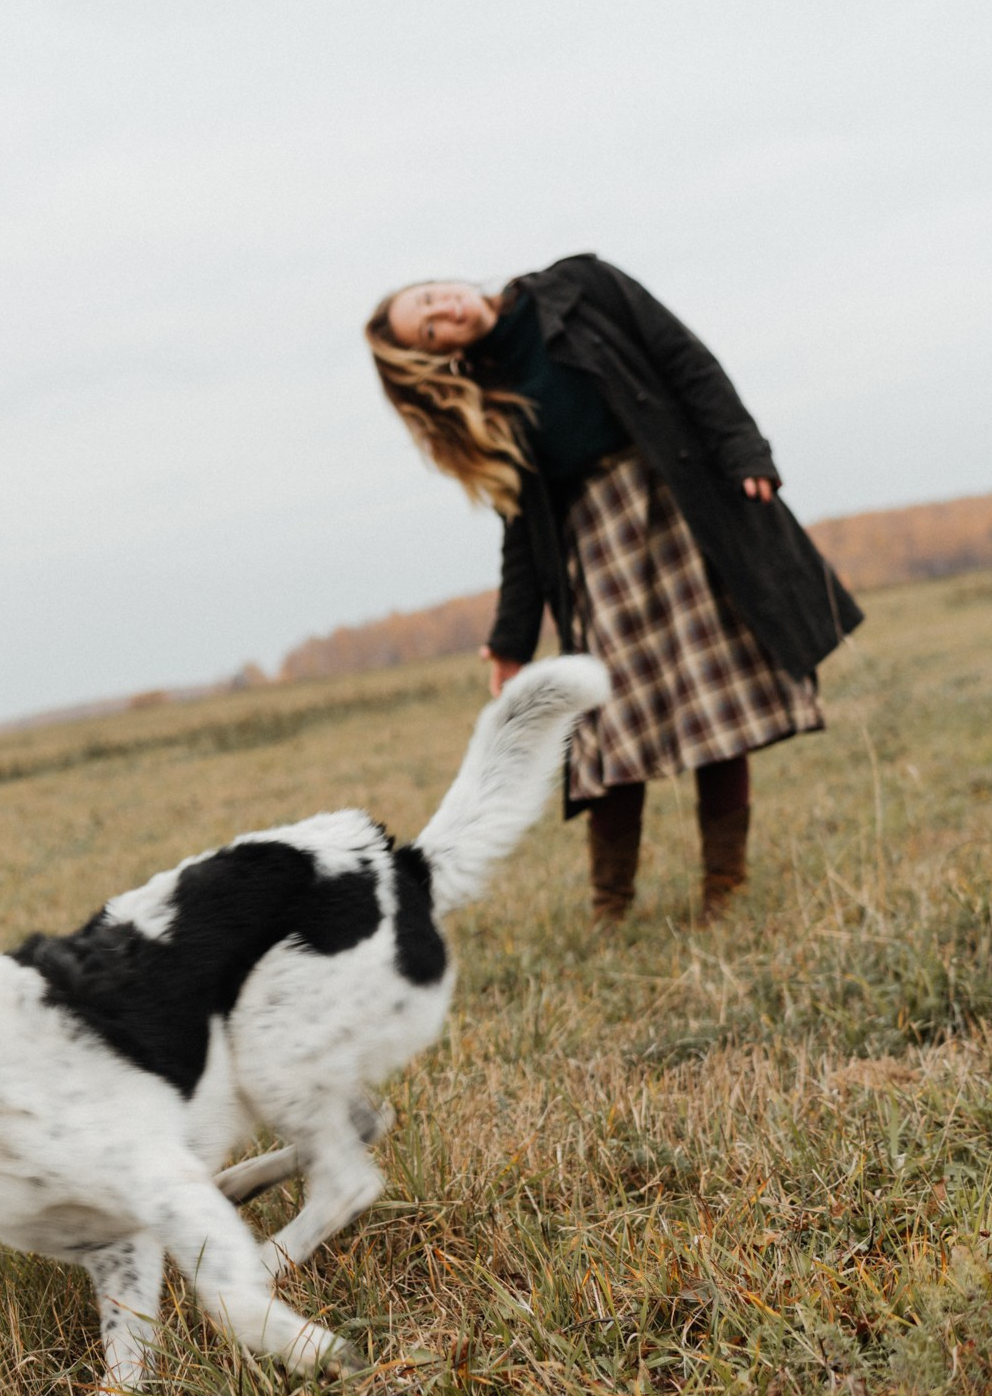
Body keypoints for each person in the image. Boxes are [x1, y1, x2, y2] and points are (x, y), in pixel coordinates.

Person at [364, 256, 861, 923]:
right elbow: (520, 525)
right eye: (429, 331)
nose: (443, 311)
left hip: (677, 509)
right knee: (607, 728)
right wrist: (511, 639)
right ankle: (611, 906)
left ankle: (725, 886)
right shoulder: (485, 394)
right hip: (594, 553)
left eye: (431, 298)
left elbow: (685, 360)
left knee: (715, 704)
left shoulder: (581, 286)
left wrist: (745, 452)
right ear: (437, 357)